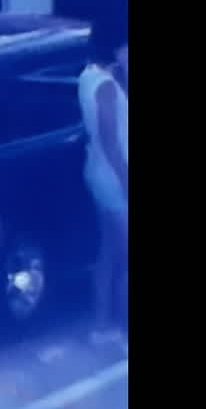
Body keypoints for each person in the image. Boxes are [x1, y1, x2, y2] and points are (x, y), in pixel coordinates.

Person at [78, 20, 128, 348]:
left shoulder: (87, 77)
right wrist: (126, 179)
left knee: (108, 253)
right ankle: (123, 330)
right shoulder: (107, 86)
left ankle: (100, 326)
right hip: (114, 177)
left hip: (97, 171)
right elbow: (111, 140)